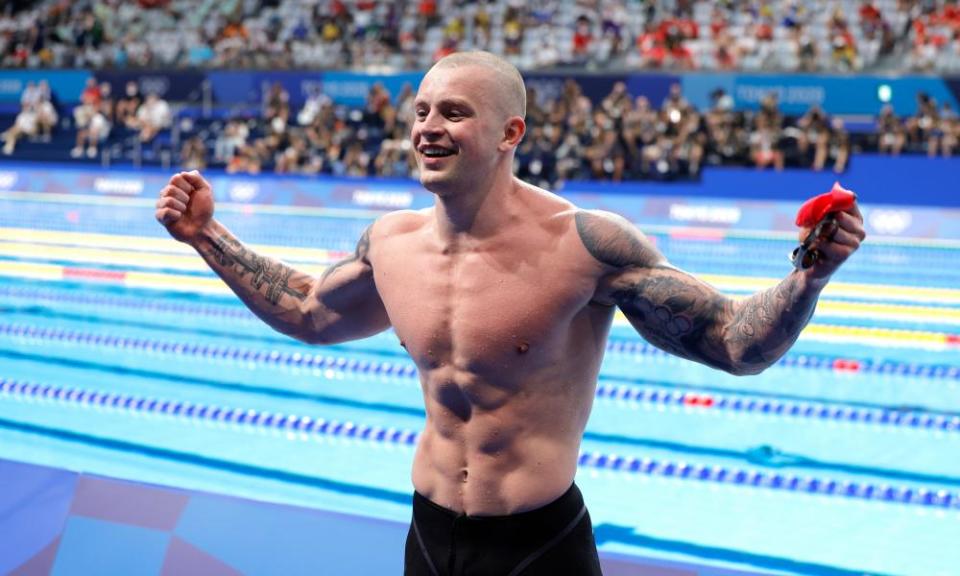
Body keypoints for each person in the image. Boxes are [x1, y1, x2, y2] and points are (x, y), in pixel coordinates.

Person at [155, 51, 865, 575]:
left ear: (509, 133)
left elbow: (732, 343)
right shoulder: (392, 244)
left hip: (539, 547)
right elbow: (310, 312)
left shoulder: (585, 245)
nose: (429, 128)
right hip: (430, 536)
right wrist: (206, 237)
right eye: (422, 112)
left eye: (454, 113)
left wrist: (809, 276)